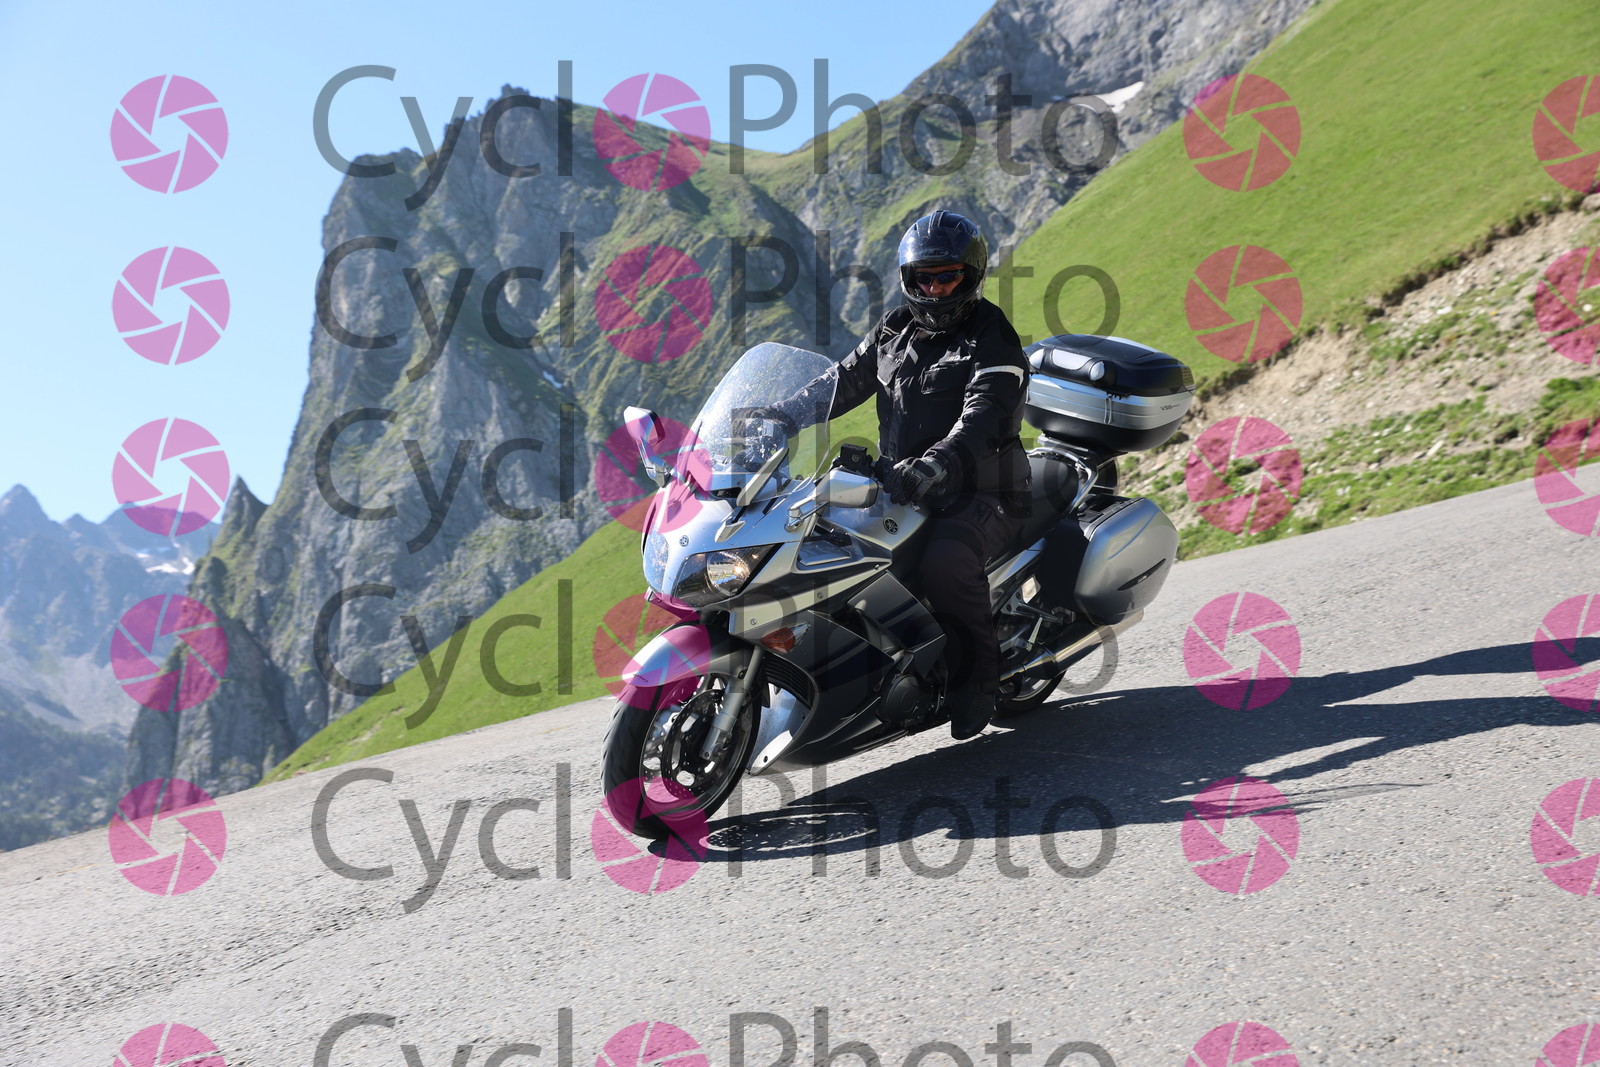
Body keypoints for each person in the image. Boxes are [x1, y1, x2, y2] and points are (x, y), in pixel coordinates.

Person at [795, 211, 1031, 739]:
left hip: (984, 491)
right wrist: (778, 414)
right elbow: (839, 383)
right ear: (908, 279)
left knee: (946, 562)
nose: (935, 288)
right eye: (924, 278)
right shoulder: (893, 330)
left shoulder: (993, 336)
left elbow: (984, 415)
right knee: (831, 551)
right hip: (904, 487)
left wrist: (939, 462)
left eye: (947, 276)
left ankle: (976, 683)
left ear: (971, 276)